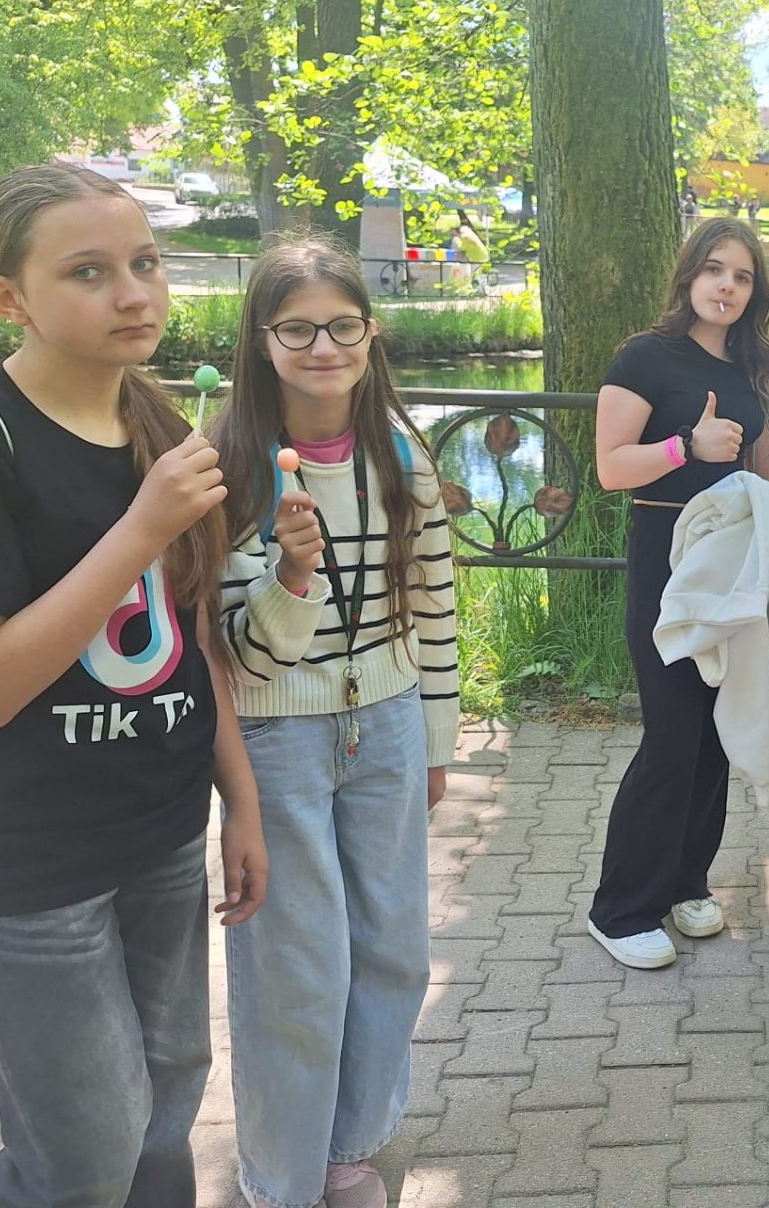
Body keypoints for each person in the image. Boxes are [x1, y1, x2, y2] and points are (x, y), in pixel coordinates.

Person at [0, 164, 264, 1207]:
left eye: (145, 264)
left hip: (159, 830)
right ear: (8, 297)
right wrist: (142, 527)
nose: (133, 294)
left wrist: (241, 804)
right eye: (87, 272)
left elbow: (191, 635)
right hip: (23, 859)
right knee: (84, 1155)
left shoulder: (157, 426)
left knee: (167, 1104)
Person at [212, 241, 460, 1208]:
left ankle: (348, 1145)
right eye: (299, 329)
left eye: (343, 325)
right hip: (278, 738)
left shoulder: (402, 455)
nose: (325, 347)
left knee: (394, 947)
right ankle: (283, 1177)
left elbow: (432, 606)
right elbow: (241, 660)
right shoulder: (231, 467)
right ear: (262, 339)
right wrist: (292, 575)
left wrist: (436, 741)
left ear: (371, 332)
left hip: (388, 725)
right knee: (297, 969)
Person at [588, 217, 769, 969]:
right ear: (689, 275)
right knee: (672, 734)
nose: (726, 286)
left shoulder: (751, 363)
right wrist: (685, 447)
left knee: (711, 732)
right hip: (667, 561)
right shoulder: (646, 356)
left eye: (741, 276)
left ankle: (685, 881)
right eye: (714, 269)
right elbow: (611, 467)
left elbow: (762, 464)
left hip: (732, 560)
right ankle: (620, 908)